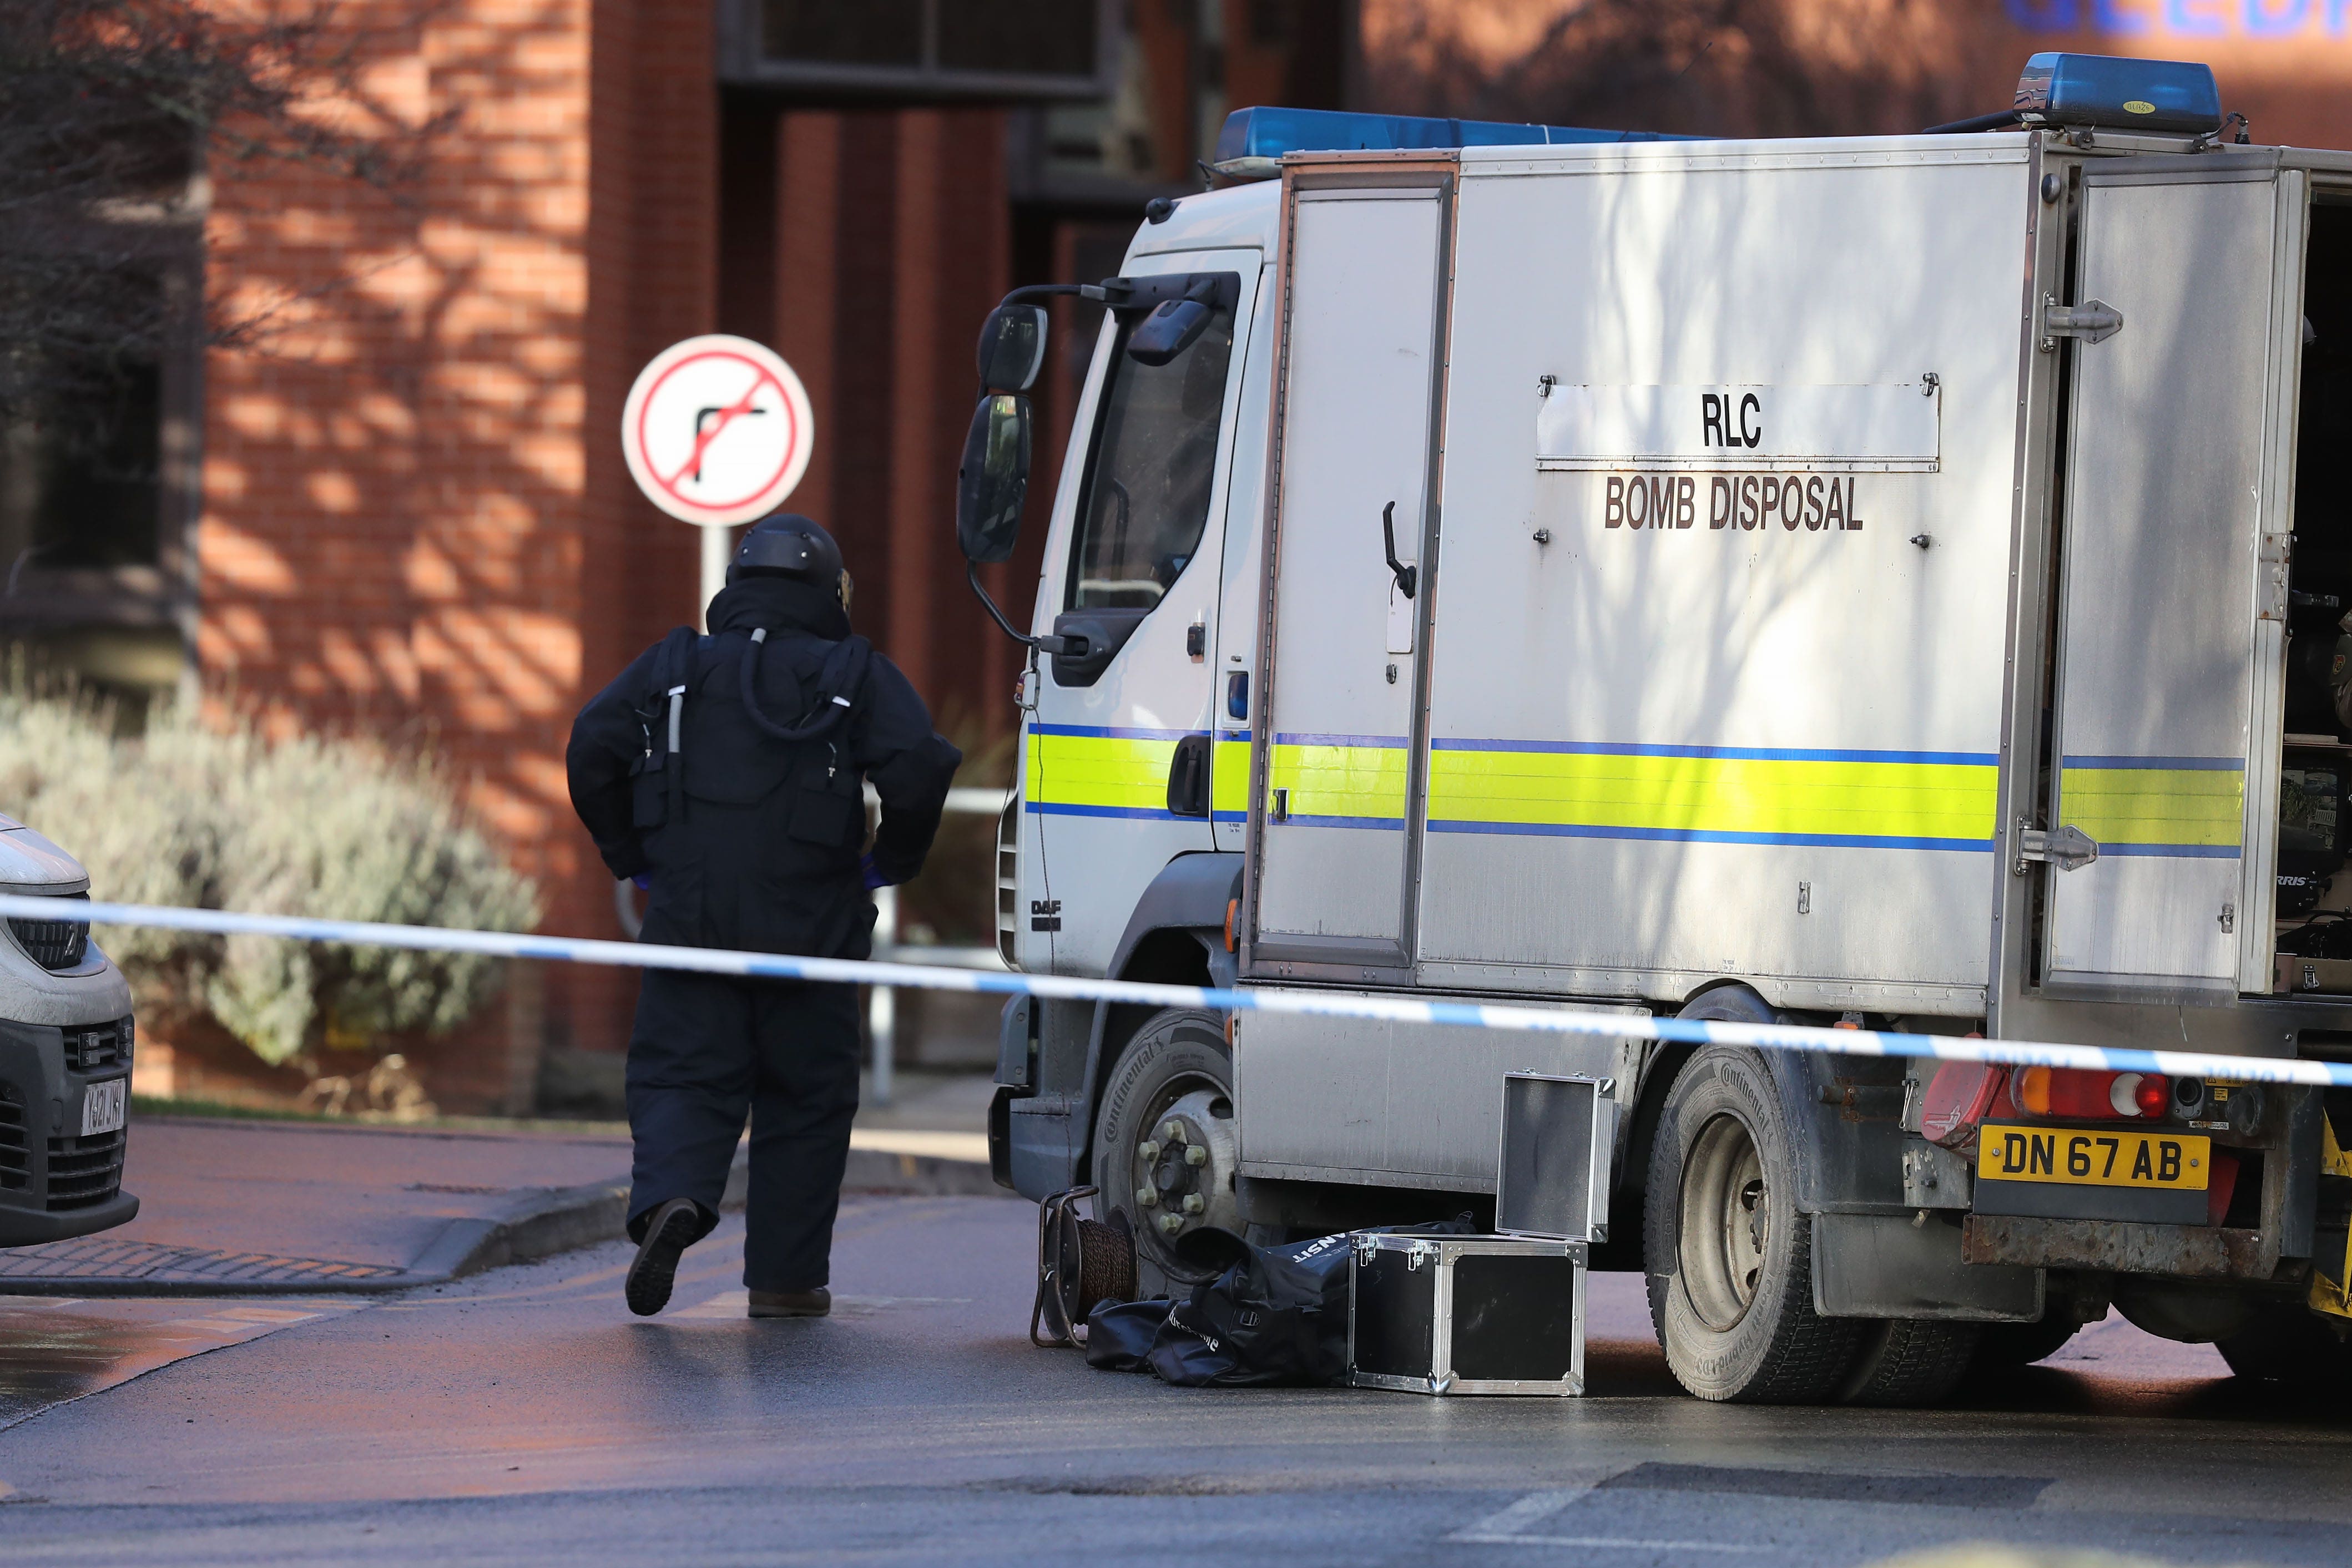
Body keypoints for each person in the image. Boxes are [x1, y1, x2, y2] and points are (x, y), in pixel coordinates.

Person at [566, 514, 960, 1318]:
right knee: (805, 1098)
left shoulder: (674, 667)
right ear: (831, 593)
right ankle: (784, 1282)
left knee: (683, 1071)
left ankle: (674, 1198)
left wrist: (631, 854)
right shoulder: (856, 672)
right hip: (812, 930)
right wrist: (889, 862)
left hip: (691, 923)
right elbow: (919, 768)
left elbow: (589, 745)